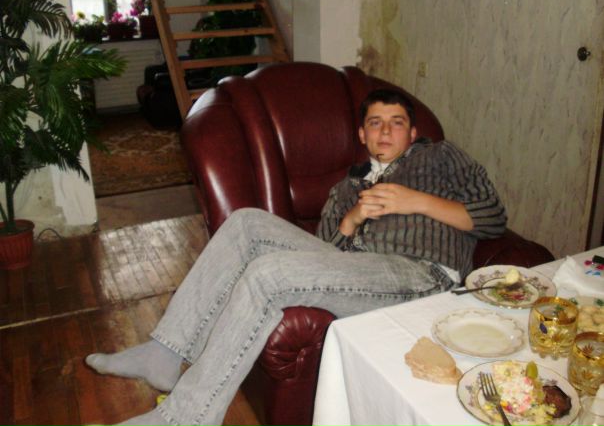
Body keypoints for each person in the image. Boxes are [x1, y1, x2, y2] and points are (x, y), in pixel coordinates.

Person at [85, 88, 507, 426]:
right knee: (246, 223)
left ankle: (186, 417)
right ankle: (164, 353)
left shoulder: (442, 157)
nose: (385, 131)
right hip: (365, 274)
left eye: (396, 123)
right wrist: (352, 219)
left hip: (423, 274)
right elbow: (327, 259)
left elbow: (492, 216)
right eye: (374, 123)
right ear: (361, 135)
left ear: (412, 133)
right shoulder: (347, 188)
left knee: (269, 275)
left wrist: (414, 201)